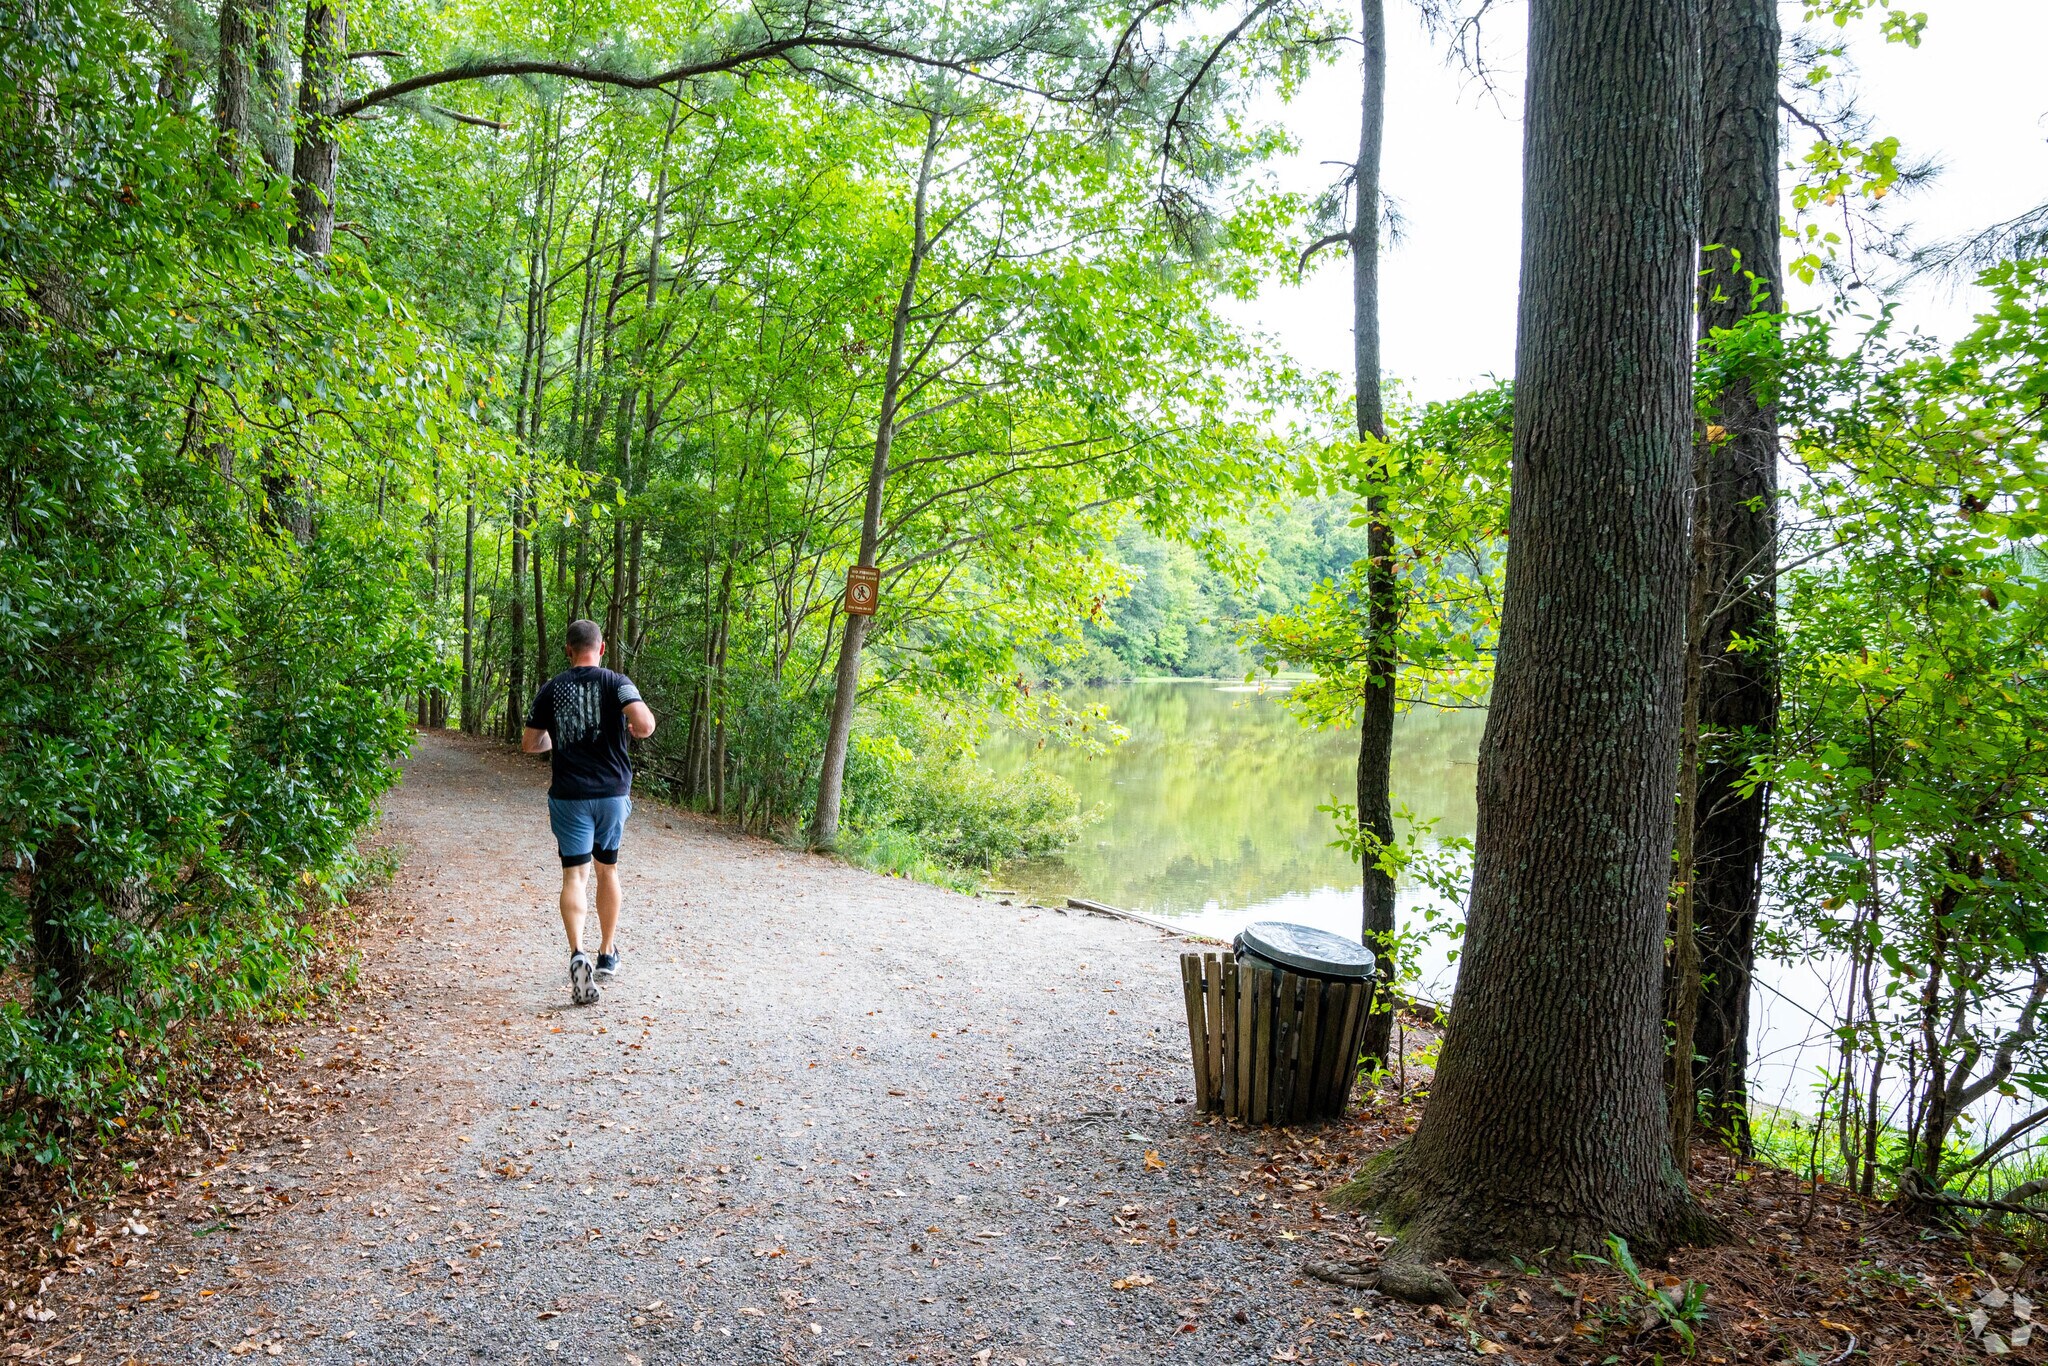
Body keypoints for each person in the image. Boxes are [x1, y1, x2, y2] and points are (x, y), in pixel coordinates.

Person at [523, 619, 656, 1005]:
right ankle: (607, 953)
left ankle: (577, 952)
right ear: (601, 648)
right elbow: (645, 724)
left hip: (569, 795)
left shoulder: (552, 688)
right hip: (611, 794)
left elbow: (530, 743)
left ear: (568, 650)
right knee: (607, 869)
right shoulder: (617, 682)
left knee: (575, 876)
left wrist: (558, 740)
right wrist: (635, 729)